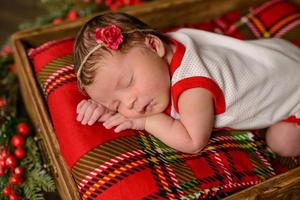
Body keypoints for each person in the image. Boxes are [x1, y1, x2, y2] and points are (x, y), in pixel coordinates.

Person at [73, 12, 300, 157]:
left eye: (129, 82)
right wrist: (100, 105)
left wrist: (147, 121)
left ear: (154, 45)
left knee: (282, 144)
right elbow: (114, 80)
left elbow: (192, 141)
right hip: (275, 56)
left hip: (295, 91)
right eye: (115, 103)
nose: (129, 104)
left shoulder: (194, 88)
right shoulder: (160, 48)